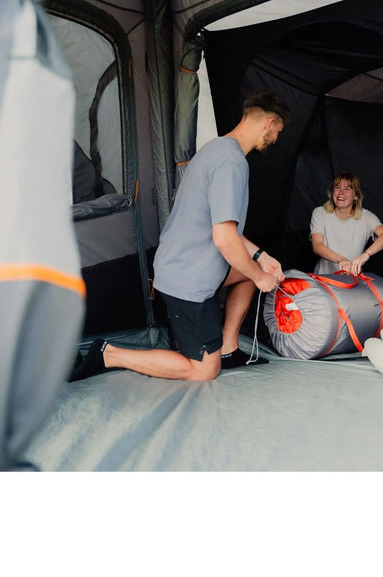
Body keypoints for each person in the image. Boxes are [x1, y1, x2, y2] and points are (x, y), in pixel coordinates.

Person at [69, 89, 292, 383]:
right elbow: (224, 238)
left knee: (251, 272)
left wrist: (261, 258)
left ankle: (228, 348)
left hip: (179, 265)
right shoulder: (232, 163)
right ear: (269, 122)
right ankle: (109, 354)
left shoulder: (217, 148)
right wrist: (262, 276)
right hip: (187, 281)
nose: (276, 139)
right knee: (204, 370)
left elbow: (225, 229)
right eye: (278, 131)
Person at [310, 172, 383, 276]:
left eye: (347, 189)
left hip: (352, 281)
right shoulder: (320, 213)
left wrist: (366, 254)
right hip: (323, 278)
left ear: (356, 196)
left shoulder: (366, 217)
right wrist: (341, 259)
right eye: (337, 187)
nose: (341, 192)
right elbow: (317, 245)